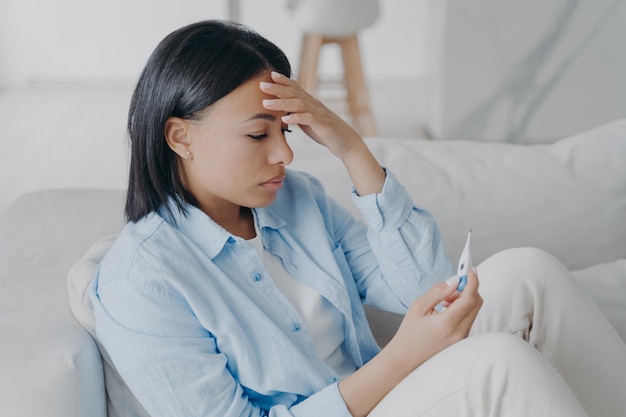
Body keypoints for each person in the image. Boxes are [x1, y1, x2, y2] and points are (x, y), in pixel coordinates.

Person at [91, 20, 626, 417]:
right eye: (259, 135)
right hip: (368, 400)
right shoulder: (142, 281)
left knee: (529, 271)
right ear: (180, 136)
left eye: (288, 131)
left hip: (391, 398)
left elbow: (424, 285)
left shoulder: (296, 201)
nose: (284, 155)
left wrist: (351, 148)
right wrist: (404, 357)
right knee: (499, 362)